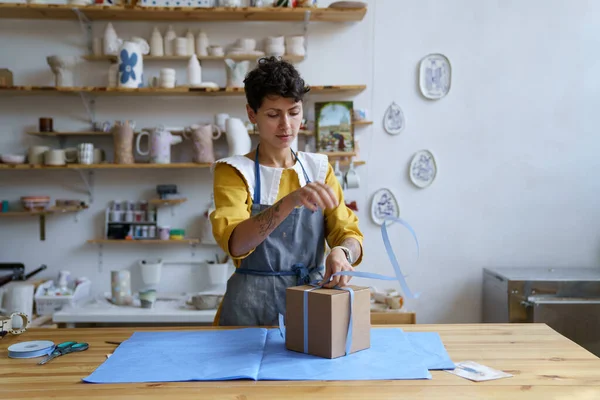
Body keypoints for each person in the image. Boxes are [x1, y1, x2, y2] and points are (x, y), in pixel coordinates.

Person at [210, 57, 364, 327]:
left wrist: (342, 252)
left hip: (308, 304)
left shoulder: (318, 169)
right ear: (251, 114)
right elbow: (235, 243)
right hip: (247, 310)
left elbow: (350, 234)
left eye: (293, 112)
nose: (286, 125)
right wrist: (290, 201)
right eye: (273, 114)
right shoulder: (234, 171)